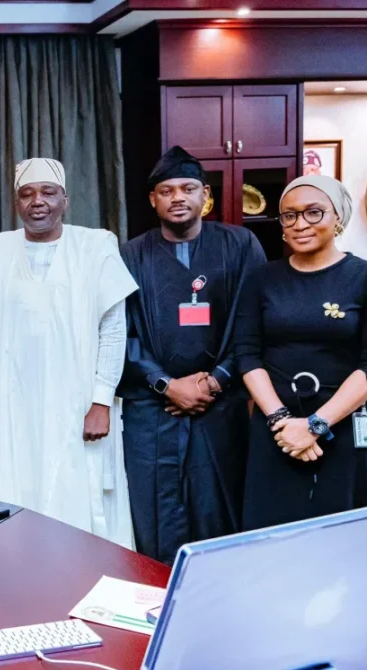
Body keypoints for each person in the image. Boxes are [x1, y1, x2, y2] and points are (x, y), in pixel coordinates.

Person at [0, 158, 137, 547]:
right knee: (18, 491)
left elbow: (114, 331)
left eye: (48, 192)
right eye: (27, 193)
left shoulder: (96, 246)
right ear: (16, 202)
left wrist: (101, 400)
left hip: (80, 401)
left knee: (80, 491)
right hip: (16, 405)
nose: (37, 202)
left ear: (66, 199)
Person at [118, 146, 266, 564]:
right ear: (153, 200)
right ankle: (156, 599)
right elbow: (121, 333)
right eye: (166, 191)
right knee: (155, 507)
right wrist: (167, 384)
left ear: (205, 195)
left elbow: (254, 323)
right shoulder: (132, 255)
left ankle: (224, 595)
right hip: (153, 406)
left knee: (218, 501)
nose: (177, 197)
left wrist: (215, 380)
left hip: (222, 402)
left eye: (188, 189)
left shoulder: (240, 245)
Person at [235, 175, 367, 531]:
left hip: (347, 423)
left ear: (337, 218)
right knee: (272, 532)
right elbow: (247, 354)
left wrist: (315, 426)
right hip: (278, 428)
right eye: (289, 215)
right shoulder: (261, 279)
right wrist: (281, 422)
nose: (300, 224)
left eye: (313, 213)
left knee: (347, 535)